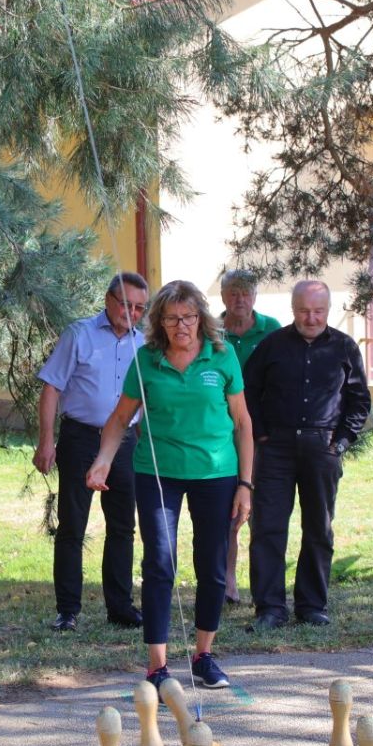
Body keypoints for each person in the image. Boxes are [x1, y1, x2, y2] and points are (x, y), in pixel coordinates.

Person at [87, 280, 253, 690]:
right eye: (173, 318)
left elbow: (243, 423)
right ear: (160, 321)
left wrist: (246, 484)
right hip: (158, 473)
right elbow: (120, 418)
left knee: (212, 567)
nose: (182, 326)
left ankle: (204, 656)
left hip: (216, 473)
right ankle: (157, 666)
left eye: (190, 317)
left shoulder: (222, 355)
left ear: (202, 317)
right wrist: (102, 462)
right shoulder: (146, 360)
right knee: (160, 562)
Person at [242, 280, 371, 629]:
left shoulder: (344, 348)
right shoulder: (272, 345)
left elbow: (360, 401)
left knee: (318, 527)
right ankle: (269, 608)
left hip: (323, 446)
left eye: (318, 311)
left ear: (328, 310)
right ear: (293, 308)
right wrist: (262, 433)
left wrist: (342, 442)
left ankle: (312, 605)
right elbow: (247, 392)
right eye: (303, 311)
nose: (311, 318)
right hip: (276, 448)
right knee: (268, 528)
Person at [34, 273, 148, 633]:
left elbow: (144, 401)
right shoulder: (79, 334)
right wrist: (46, 440)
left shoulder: (144, 345)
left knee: (123, 527)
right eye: (125, 303)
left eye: (139, 307)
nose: (131, 312)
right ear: (108, 299)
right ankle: (67, 610)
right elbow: (52, 388)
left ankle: (120, 607)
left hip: (126, 442)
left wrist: (145, 444)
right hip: (81, 438)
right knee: (72, 525)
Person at [219, 269, 282, 605]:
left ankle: (263, 587)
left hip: (260, 437)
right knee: (228, 515)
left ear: (255, 297)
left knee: (261, 512)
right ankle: (227, 581)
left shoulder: (272, 330)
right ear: (223, 296)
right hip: (220, 437)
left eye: (245, 293)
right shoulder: (211, 332)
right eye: (233, 293)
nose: (239, 299)